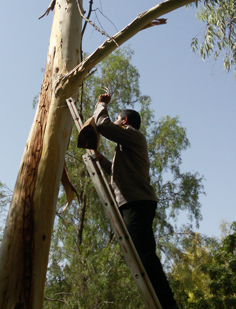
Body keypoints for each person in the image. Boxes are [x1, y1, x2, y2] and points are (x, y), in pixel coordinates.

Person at [92, 93, 179, 309]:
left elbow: (102, 124)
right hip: (136, 202)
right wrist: (101, 159)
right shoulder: (128, 145)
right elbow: (117, 172)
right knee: (142, 253)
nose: (116, 122)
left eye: (118, 119)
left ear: (125, 121)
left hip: (136, 202)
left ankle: (167, 305)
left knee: (145, 255)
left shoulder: (132, 134)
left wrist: (102, 103)